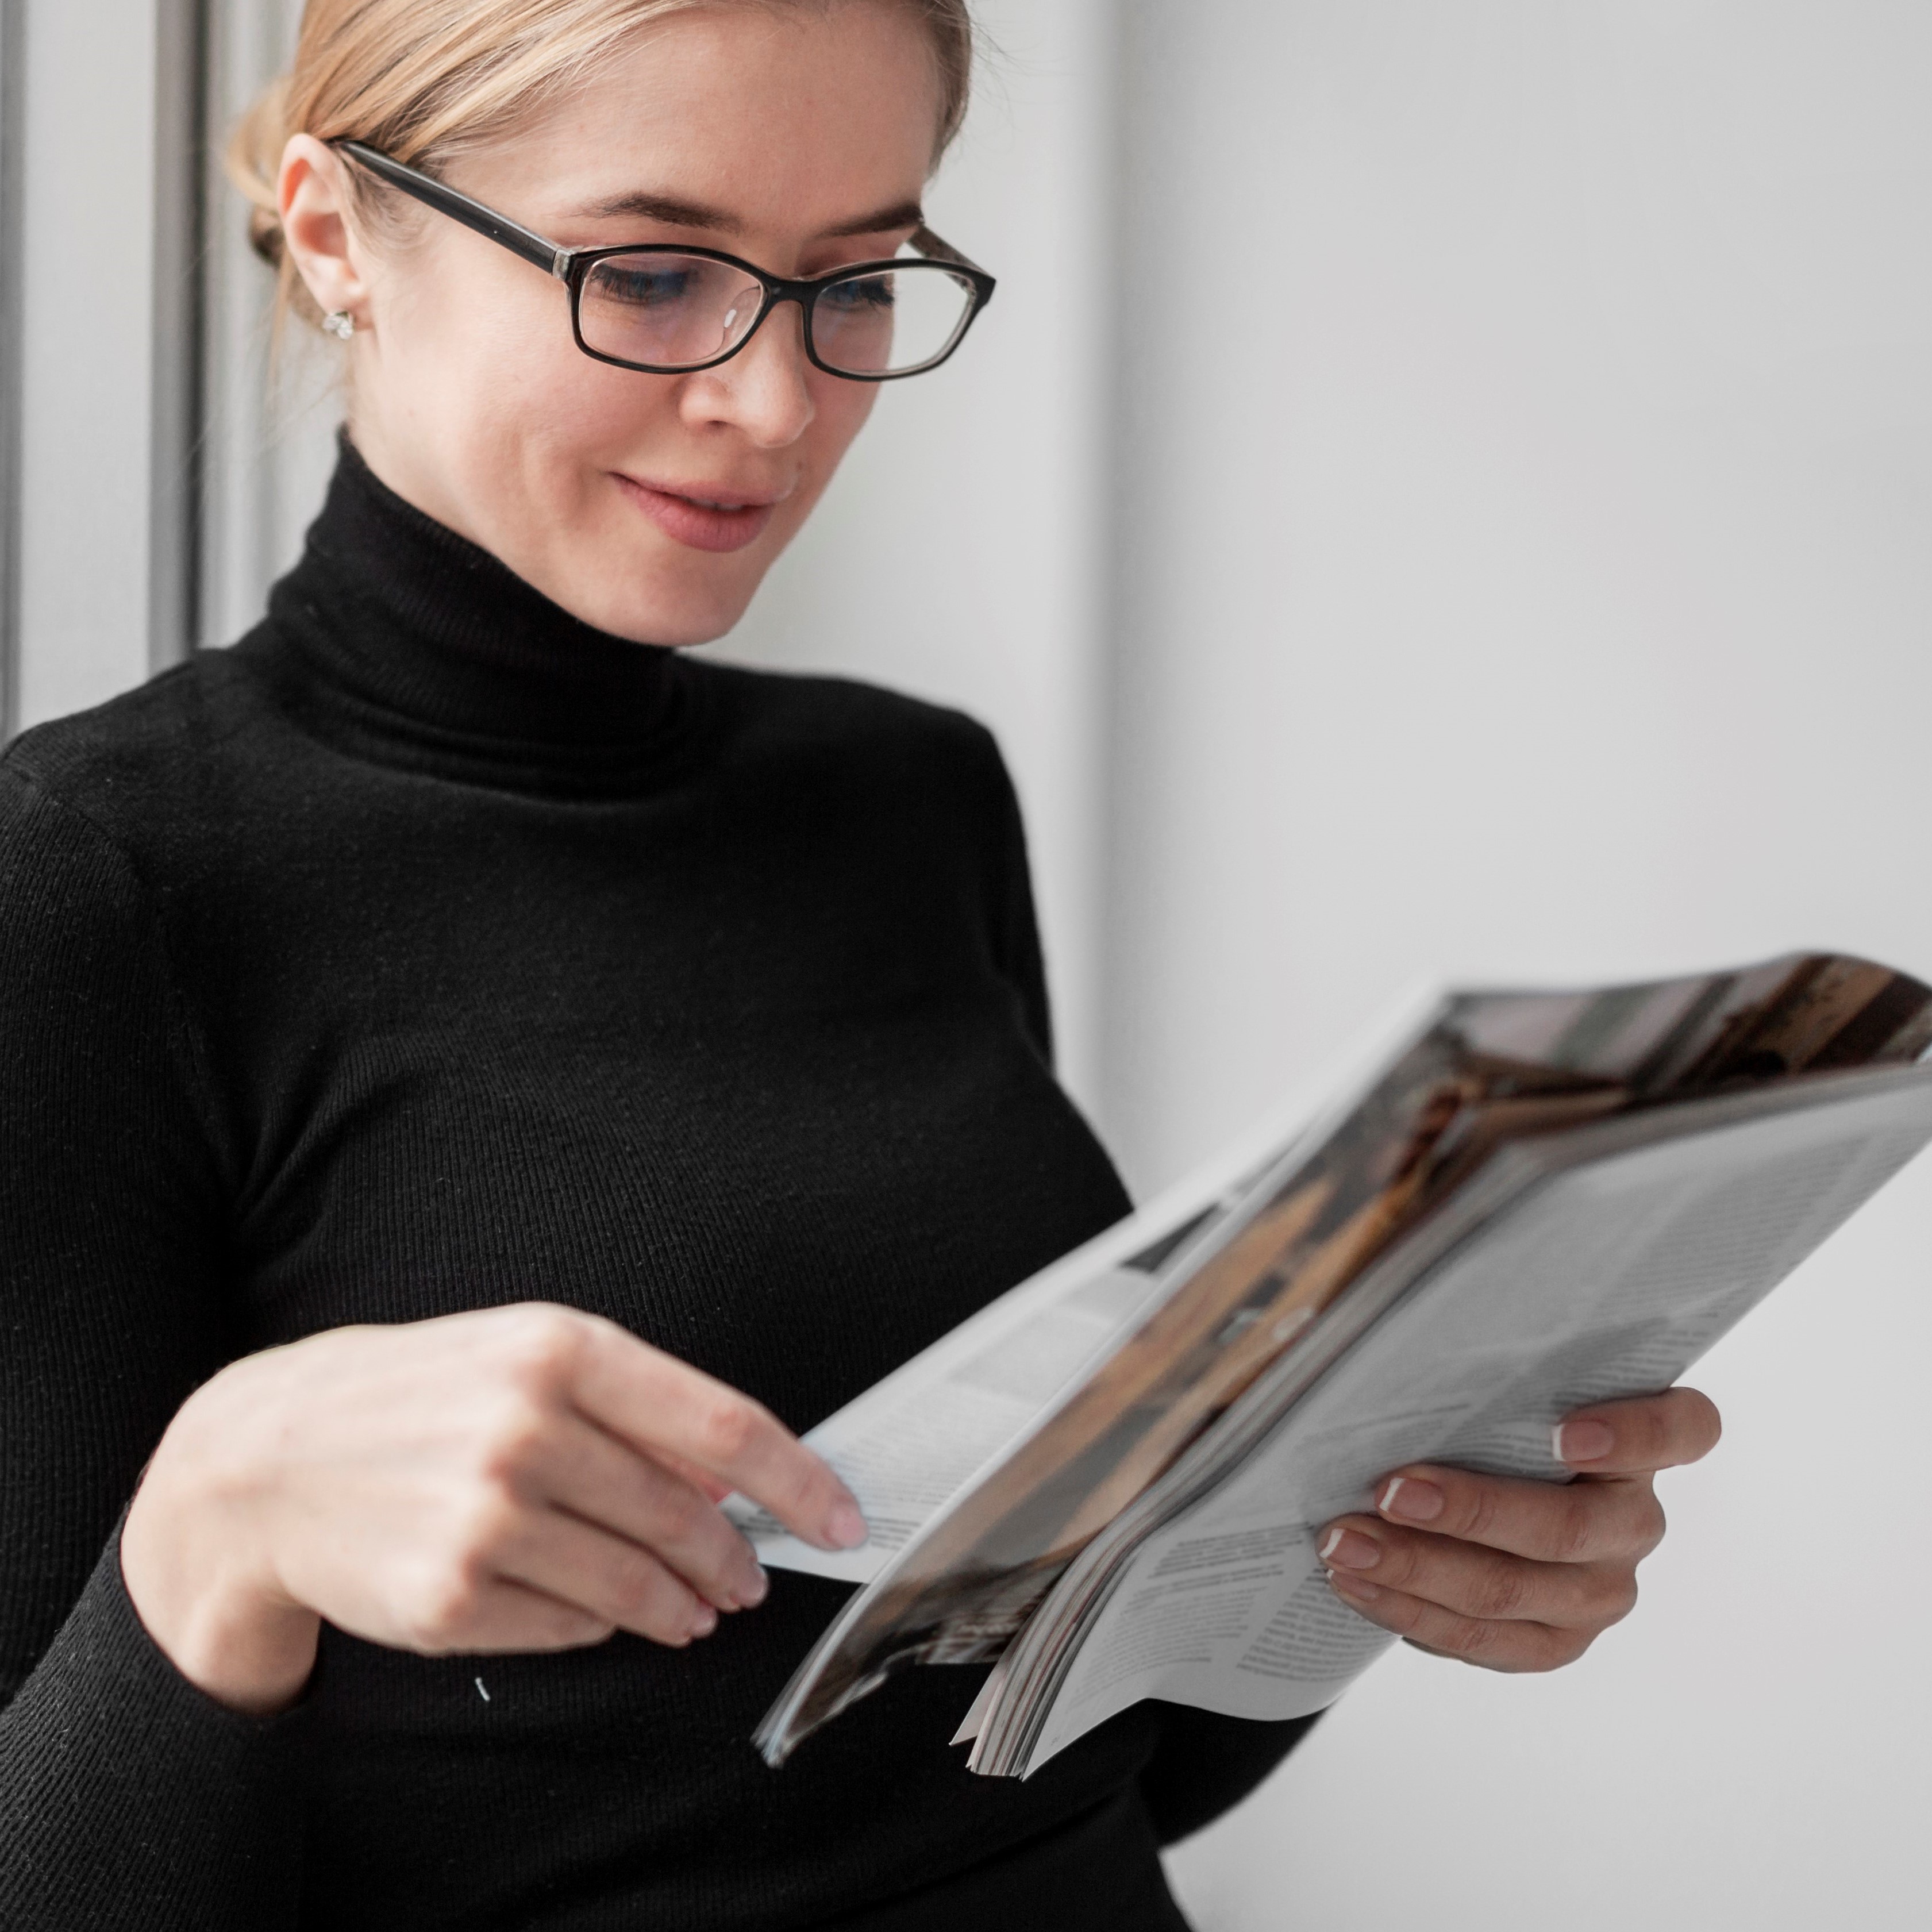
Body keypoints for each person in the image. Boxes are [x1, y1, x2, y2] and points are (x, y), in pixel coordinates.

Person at [0, 2, 1722, 1926]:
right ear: (336, 235)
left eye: (857, 281)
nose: (778, 403)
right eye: (652, 274)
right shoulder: (91, 886)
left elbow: (1063, 1765)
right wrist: (213, 1527)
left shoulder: (911, 794)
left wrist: (1391, 1526)